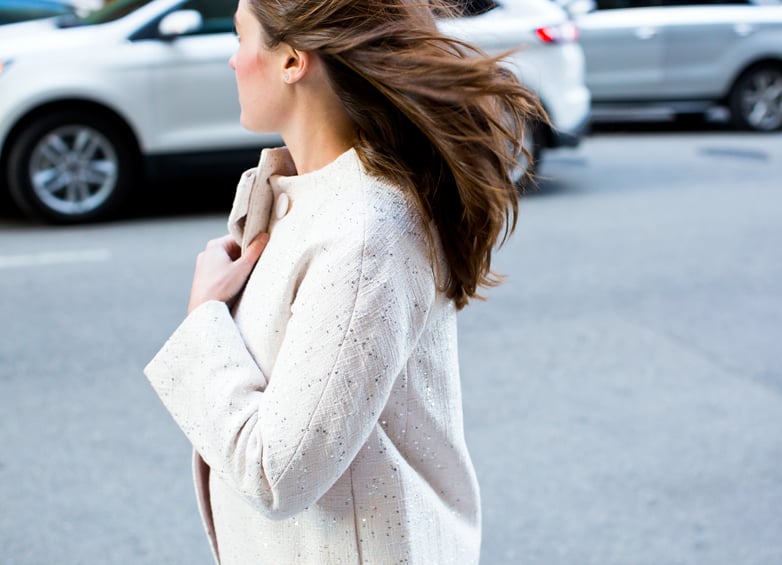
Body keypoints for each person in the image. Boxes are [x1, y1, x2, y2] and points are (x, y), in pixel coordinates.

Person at [144, 0, 544, 562]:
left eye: (240, 37)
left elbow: (275, 473)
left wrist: (202, 316)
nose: (232, 61)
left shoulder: (364, 232)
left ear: (292, 60)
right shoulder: (313, 196)